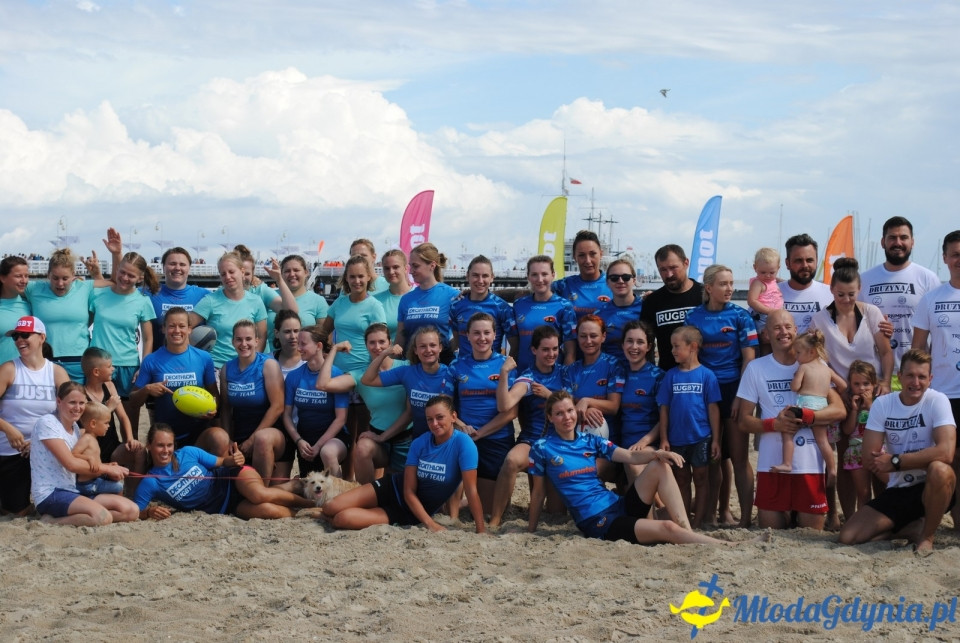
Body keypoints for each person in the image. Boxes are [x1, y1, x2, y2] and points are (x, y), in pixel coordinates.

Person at [528, 391, 734, 545]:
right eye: (559, 413)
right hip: (598, 521)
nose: (567, 418)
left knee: (658, 465)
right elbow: (538, 494)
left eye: (570, 410)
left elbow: (630, 455)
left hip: (619, 506)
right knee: (666, 527)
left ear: (576, 410)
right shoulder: (542, 448)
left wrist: (658, 453)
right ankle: (730, 545)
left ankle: (687, 532)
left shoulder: (589, 439)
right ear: (550, 417)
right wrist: (531, 530)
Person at [736, 309, 848, 530]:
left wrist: (809, 417)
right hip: (772, 465)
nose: (783, 332)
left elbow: (839, 411)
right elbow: (743, 421)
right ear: (766, 334)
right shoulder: (756, 368)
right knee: (771, 527)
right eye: (776, 327)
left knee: (810, 530)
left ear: (796, 331)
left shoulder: (815, 365)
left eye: (788, 326)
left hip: (809, 463)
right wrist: (774, 424)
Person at [838, 350, 957, 555]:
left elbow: (946, 452)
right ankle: (911, 528)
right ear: (899, 376)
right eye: (910, 375)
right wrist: (920, 459)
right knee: (848, 537)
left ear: (930, 379)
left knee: (940, 469)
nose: (916, 382)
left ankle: (926, 537)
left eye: (921, 377)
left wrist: (896, 461)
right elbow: (869, 457)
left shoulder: (938, 400)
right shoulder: (883, 404)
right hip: (898, 486)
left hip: (930, 486)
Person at [323, 395, 485, 533]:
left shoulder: (464, 444)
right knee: (330, 507)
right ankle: (314, 508)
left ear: (453, 417)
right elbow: (408, 491)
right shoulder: (420, 442)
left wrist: (480, 530)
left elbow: (471, 491)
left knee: (341, 519)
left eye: (440, 417)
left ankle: (339, 514)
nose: (434, 423)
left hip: (407, 512)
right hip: (391, 487)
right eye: (429, 419)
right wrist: (431, 524)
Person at [686, 264, 758, 527]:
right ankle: (710, 515)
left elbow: (749, 359)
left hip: (733, 389)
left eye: (731, 283)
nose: (729, 288)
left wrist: (741, 396)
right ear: (708, 288)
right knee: (714, 457)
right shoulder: (693, 317)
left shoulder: (740, 316)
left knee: (739, 458)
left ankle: (747, 519)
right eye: (723, 284)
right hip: (705, 390)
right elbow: (690, 357)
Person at [134, 423, 313, 520]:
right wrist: (149, 513)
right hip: (224, 507)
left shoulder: (188, 452)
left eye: (169, 445)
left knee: (259, 494)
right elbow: (135, 512)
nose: (165, 450)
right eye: (160, 446)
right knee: (269, 511)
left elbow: (222, 461)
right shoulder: (151, 481)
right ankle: (307, 513)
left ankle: (312, 504)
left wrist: (235, 459)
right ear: (149, 446)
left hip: (231, 479)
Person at [489, 325, 570, 526]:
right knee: (511, 461)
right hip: (532, 440)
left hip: (560, 443)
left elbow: (574, 407)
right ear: (534, 350)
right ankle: (495, 520)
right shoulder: (528, 378)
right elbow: (505, 405)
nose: (551, 354)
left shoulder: (566, 373)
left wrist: (549, 395)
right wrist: (504, 374)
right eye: (545, 349)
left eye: (554, 349)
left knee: (556, 513)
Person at [30, 382, 138, 525]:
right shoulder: (48, 423)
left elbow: (79, 459)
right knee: (103, 517)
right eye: (72, 402)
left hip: (74, 489)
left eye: (82, 403)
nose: (78, 407)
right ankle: (51, 521)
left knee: (131, 510)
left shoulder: (74, 427)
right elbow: (71, 464)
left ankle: (83, 513)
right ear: (58, 401)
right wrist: (106, 469)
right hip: (51, 492)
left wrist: (105, 465)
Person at [317, 325, 412, 485]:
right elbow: (323, 385)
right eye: (372, 343)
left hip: (405, 438)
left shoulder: (406, 367)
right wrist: (334, 350)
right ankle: (367, 494)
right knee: (361, 448)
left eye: (382, 342)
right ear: (366, 345)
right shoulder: (360, 374)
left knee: (396, 487)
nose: (377, 347)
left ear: (390, 342)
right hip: (378, 439)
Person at [912, 229, 960, 528]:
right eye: (955, 254)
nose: (959, 260)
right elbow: (918, 349)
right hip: (943, 395)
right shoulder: (932, 299)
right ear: (945, 258)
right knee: (946, 462)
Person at [0, 316, 69, 515]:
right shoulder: (9, 369)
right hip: (12, 450)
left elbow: (69, 416)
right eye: (16, 337)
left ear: (41, 337)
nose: (19, 340)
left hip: (45, 449)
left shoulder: (56, 372)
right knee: (16, 512)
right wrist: (7, 428)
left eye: (25, 335)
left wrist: (41, 441)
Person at [452, 312, 519, 513]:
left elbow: (511, 413)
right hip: (465, 437)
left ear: (495, 335)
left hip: (495, 438)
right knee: (449, 511)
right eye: (476, 333)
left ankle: (471, 502)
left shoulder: (506, 365)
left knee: (488, 510)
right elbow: (448, 406)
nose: (482, 338)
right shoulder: (456, 365)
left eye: (487, 333)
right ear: (467, 336)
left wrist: (480, 434)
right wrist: (462, 426)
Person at [657, 325, 721, 529]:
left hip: (701, 437)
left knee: (701, 479)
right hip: (677, 439)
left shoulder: (707, 375)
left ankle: (699, 519)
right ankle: (684, 521)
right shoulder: (670, 376)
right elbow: (664, 409)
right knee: (682, 480)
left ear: (692, 347)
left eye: (677, 346)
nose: (673, 351)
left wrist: (716, 439)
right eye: (672, 347)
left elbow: (713, 409)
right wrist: (664, 438)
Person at [858, 216, 940, 374]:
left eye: (903, 237)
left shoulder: (928, 278)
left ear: (912, 242)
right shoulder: (865, 279)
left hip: (915, 373)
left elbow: (937, 330)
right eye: (892, 238)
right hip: (875, 373)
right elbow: (854, 324)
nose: (898, 243)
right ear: (883, 242)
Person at [88, 249, 157, 427]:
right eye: (122, 272)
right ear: (117, 270)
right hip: (99, 365)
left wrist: (144, 367)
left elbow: (149, 339)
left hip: (128, 365)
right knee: (96, 420)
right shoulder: (98, 294)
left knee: (130, 424)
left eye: (131, 275)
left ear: (140, 278)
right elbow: (83, 325)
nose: (125, 278)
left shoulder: (142, 301)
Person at [130, 307, 218, 448]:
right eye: (171, 326)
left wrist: (213, 409)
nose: (177, 331)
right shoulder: (151, 360)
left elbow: (215, 395)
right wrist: (147, 390)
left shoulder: (204, 358)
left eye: (182, 326)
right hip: (166, 437)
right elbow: (133, 401)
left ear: (190, 329)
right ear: (163, 329)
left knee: (220, 437)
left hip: (198, 431)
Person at [24, 249, 110, 381]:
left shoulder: (85, 287)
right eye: (55, 278)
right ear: (48, 275)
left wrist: (100, 271)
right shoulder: (34, 288)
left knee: (78, 402)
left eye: (65, 278)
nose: (60, 283)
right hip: (44, 361)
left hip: (79, 362)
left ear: (74, 275)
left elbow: (112, 285)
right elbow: (9, 282)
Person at [221, 320, 292, 482]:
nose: (244, 343)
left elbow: (278, 406)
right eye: (239, 339)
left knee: (262, 439)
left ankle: (262, 491)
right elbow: (225, 409)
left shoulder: (268, 365)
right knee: (217, 437)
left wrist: (252, 440)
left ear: (257, 341)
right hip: (240, 434)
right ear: (232, 342)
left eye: (248, 339)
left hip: (271, 434)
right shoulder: (227, 369)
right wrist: (228, 439)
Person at [361, 325, 456, 440]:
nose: (428, 350)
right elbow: (368, 380)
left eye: (432, 345)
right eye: (422, 346)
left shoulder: (451, 374)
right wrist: (384, 353)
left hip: (447, 442)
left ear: (440, 347)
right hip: (420, 442)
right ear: (415, 350)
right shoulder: (407, 372)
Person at [283, 325, 350, 477]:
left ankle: (338, 497)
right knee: (312, 492)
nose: (298, 348)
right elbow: (286, 415)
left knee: (327, 453)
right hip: (305, 440)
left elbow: (341, 418)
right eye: (298, 343)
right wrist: (298, 440)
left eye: (303, 344)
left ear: (319, 346)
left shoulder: (336, 374)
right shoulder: (294, 376)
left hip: (332, 438)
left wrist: (319, 445)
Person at [772, 330, 838, 483]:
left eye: (798, 353)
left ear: (811, 352)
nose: (796, 358)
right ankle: (832, 469)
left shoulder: (803, 367)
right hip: (822, 407)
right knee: (822, 441)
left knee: (787, 431)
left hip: (806, 407)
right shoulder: (826, 369)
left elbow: (795, 387)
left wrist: (795, 378)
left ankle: (787, 463)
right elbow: (842, 384)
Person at [189, 252, 269, 368]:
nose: (227, 277)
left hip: (246, 366)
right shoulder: (210, 300)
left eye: (231, 272)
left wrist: (251, 364)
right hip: (216, 366)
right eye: (223, 274)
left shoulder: (256, 301)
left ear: (242, 272)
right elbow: (184, 326)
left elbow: (261, 337)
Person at [639, 244, 704, 371]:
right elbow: (647, 343)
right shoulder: (652, 302)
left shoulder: (705, 296)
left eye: (673, 268)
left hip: (703, 376)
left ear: (686, 263)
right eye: (663, 269)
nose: (669, 275)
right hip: (667, 376)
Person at [321, 254, 386, 373]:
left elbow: (381, 344)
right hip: (337, 369)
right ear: (346, 278)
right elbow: (323, 332)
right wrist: (326, 351)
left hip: (363, 370)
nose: (357, 281)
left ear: (368, 277)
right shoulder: (339, 302)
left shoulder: (375, 307)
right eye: (352, 277)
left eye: (361, 276)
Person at [618, 320, 664, 486]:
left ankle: (657, 510)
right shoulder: (617, 373)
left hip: (649, 444)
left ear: (649, 347)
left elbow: (665, 418)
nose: (634, 347)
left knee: (634, 465)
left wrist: (644, 441)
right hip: (622, 446)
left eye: (640, 342)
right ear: (623, 345)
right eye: (629, 341)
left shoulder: (658, 376)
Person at [395, 243, 459, 362]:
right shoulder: (406, 299)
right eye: (410, 266)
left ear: (432, 265)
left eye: (415, 266)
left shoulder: (452, 295)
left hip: (442, 365)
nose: (411, 271)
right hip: (413, 367)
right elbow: (400, 338)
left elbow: (461, 333)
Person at [511, 255, 577, 371]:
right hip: (522, 375)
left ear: (553, 275)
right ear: (528, 277)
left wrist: (565, 380)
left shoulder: (564, 307)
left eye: (544, 274)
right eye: (534, 274)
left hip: (552, 378)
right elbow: (514, 347)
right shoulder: (518, 305)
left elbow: (570, 352)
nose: (540, 279)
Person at [566, 315, 624, 447]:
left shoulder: (614, 365)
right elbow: (566, 407)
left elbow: (614, 406)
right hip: (576, 441)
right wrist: (584, 411)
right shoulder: (571, 370)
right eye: (583, 336)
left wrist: (586, 401)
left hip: (608, 441)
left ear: (603, 337)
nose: (588, 341)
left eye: (593, 336)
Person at [82, 347, 142, 470]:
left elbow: (123, 417)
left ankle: (132, 489)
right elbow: (89, 429)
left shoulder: (109, 386)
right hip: (93, 452)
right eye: (109, 366)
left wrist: (130, 439)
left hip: (113, 447)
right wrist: (108, 409)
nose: (113, 368)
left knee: (138, 451)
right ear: (96, 372)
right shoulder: (82, 396)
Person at [144, 247, 210, 351]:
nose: (177, 268)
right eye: (172, 264)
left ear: (189, 268)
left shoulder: (205, 296)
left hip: (193, 363)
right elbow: (122, 283)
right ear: (163, 267)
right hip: (159, 362)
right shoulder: (149, 294)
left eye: (182, 264)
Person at [450, 255, 517, 356]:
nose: (480, 281)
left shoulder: (502, 308)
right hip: (464, 369)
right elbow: (456, 343)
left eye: (485, 276)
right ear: (467, 276)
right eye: (475, 275)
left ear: (492, 278)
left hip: (493, 370)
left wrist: (506, 368)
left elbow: (515, 346)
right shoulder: (456, 305)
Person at [840, 360, 884, 516]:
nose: (862, 388)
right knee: (863, 492)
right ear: (850, 385)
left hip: (879, 450)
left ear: (874, 384)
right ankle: (862, 521)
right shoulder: (851, 403)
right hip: (857, 451)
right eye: (856, 384)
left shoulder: (880, 402)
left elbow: (884, 425)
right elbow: (847, 430)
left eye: (866, 383)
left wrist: (870, 405)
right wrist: (853, 410)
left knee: (885, 487)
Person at [551, 230, 612, 321]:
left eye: (592, 254)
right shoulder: (563, 286)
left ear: (601, 254)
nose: (588, 260)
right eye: (582, 255)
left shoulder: (614, 283)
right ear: (574, 257)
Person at [779, 234, 834, 334]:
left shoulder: (831, 294)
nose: (805, 265)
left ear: (816, 262)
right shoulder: (773, 293)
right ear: (787, 263)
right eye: (798, 261)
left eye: (809, 260)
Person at [594, 258, 644, 361]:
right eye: (614, 278)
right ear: (607, 282)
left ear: (634, 280)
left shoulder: (647, 308)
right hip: (610, 373)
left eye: (626, 277)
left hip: (641, 373)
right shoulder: (599, 315)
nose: (620, 281)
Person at [73, 401, 125, 497]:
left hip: (94, 479)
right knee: (118, 487)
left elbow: (96, 464)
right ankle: (119, 506)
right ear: (93, 423)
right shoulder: (86, 438)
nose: (108, 426)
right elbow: (73, 455)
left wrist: (107, 465)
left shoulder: (93, 439)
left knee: (116, 478)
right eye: (106, 423)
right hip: (87, 484)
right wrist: (88, 458)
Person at [746, 247, 784, 349]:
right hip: (763, 317)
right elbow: (752, 301)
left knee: (777, 343)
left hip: (775, 315)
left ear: (778, 269)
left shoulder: (776, 281)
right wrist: (769, 311)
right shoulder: (758, 283)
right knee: (766, 342)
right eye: (763, 272)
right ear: (755, 268)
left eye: (772, 272)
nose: (767, 276)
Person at [279, 254, 330, 327]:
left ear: (306, 272)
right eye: (287, 271)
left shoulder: (318, 301)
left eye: (296, 270)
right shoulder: (270, 296)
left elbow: (324, 335)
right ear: (281, 274)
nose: (292, 274)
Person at [373, 248, 411, 340]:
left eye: (395, 267)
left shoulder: (419, 296)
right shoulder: (374, 301)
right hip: (387, 353)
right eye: (387, 268)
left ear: (406, 268)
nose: (391, 272)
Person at [0, 256, 31, 365]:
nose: (24, 281)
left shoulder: (30, 304)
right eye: (18, 276)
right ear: (3, 278)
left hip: (25, 375)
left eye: (26, 276)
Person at [272, 310, 304, 377]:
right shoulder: (266, 361)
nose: (293, 336)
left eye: (296, 331)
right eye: (287, 332)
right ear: (276, 333)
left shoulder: (309, 361)